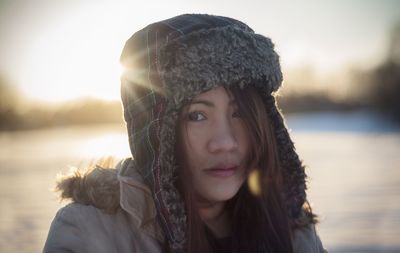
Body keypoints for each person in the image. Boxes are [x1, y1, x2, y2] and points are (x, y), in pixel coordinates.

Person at [43, 14, 327, 253]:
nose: (225, 142)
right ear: (156, 132)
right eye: (197, 116)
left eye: (238, 112)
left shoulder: (293, 231)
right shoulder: (91, 234)